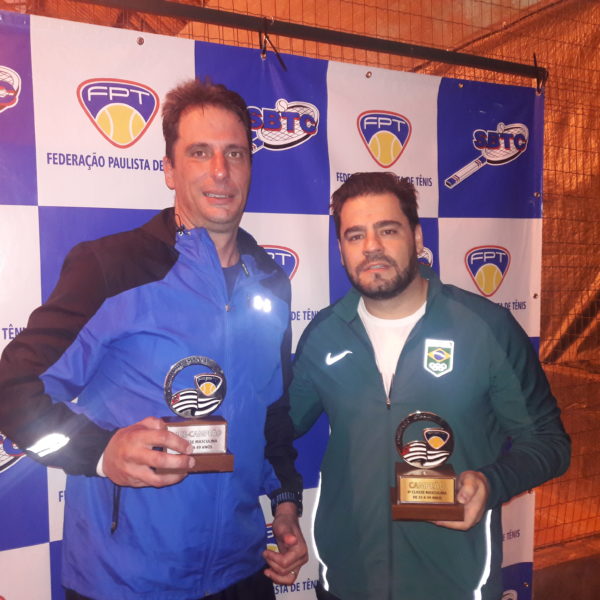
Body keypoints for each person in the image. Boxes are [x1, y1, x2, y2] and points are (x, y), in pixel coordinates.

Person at [0, 79, 307, 599]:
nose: (220, 170)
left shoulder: (271, 283)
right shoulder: (111, 268)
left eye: (235, 153)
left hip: (242, 571)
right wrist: (100, 452)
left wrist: (284, 505)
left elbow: (273, 415)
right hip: (125, 581)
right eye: (199, 152)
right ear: (168, 169)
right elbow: (11, 390)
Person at [289, 172, 570, 600]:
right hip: (346, 582)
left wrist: (492, 482)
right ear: (341, 250)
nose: (371, 247)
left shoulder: (485, 328)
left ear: (417, 237)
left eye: (388, 230)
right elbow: (277, 429)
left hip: (455, 585)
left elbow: (550, 442)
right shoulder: (324, 335)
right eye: (355, 235)